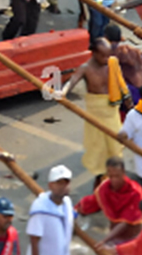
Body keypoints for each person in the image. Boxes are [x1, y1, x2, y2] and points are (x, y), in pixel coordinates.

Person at [64, 37, 131, 180]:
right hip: (95, 114)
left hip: (111, 111)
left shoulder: (112, 63)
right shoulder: (85, 68)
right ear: (94, 53)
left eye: (109, 55)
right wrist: (62, 92)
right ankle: (102, 177)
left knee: (115, 145)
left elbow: (121, 83)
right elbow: (72, 81)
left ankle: (114, 175)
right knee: (98, 148)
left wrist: (128, 101)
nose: (107, 58)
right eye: (103, 55)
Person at [79, 156, 142, 245]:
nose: (114, 180)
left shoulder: (136, 193)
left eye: (117, 176)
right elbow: (93, 201)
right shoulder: (104, 189)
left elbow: (126, 221)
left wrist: (105, 240)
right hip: (115, 238)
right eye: (111, 176)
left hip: (134, 238)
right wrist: (77, 210)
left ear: (123, 173)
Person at [26, 170, 74, 255]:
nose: (63, 186)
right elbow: (34, 239)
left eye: (66, 183)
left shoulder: (67, 203)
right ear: (50, 185)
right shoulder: (40, 209)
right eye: (59, 183)